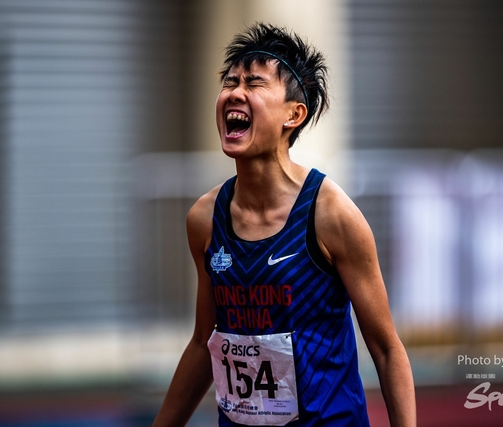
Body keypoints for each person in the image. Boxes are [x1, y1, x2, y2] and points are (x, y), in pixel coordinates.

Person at [152, 23, 416, 427]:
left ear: (294, 114)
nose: (235, 93)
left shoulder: (331, 215)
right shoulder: (205, 219)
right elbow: (204, 343)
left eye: (254, 84)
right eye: (230, 82)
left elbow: (386, 349)